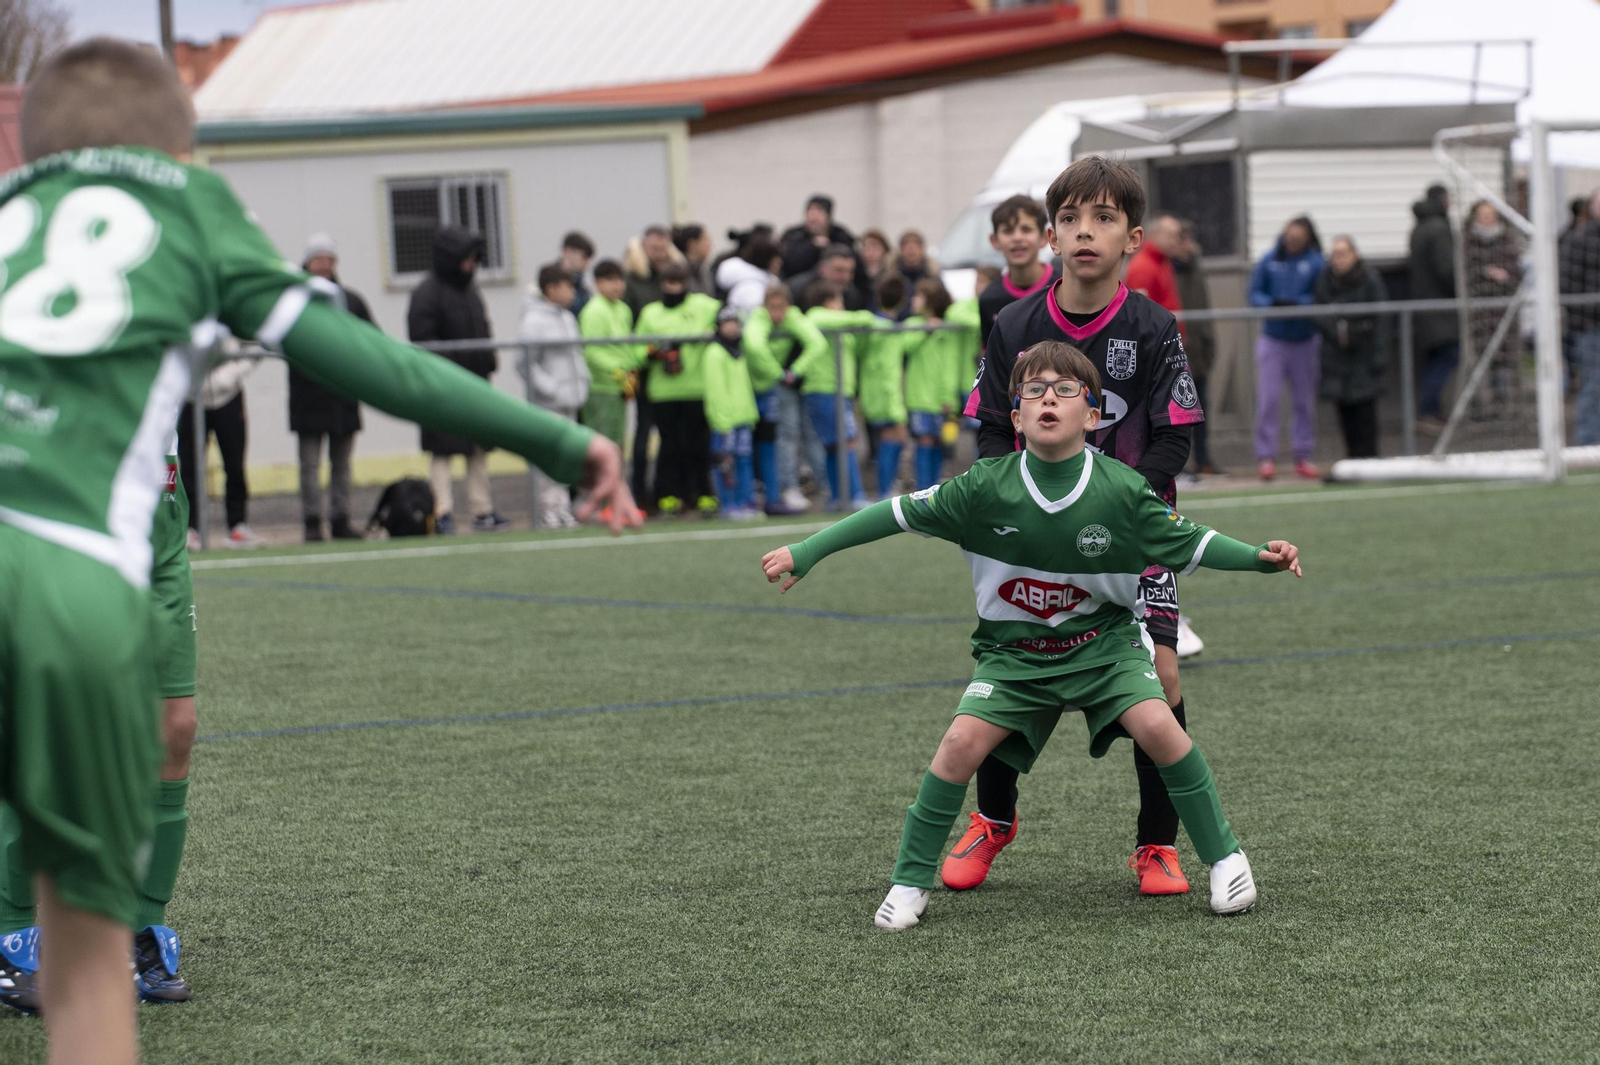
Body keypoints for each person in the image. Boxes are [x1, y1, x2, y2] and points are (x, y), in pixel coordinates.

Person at [0, 38, 634, 1065]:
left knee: (145, 753)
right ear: (181, 145)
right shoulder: (190, 211)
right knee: (84, 957)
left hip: (106, 536)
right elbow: (371, 360)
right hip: (76, 562)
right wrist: (563, 442)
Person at [762, 341, 1301, 930]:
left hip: (1105, 649)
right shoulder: (981, 488)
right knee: (957, 747)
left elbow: (1194, 541)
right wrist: (809, 550)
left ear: (1093, 416)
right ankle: (910, 881)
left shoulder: (1121, 489)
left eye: (1066, 390)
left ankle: (1225, 858)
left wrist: (1258, 557)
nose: (1049, 398)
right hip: (1012, 657)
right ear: (1015, 416)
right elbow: (893, 513)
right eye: (1034, 390)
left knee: (1159, 728)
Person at [961, 156, 1206, 899]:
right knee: (1012, 674)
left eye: (1102, 219)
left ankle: (1157, 846)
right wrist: (1024, 507)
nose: (1083, 232)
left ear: (1132, 237)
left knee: (1161, 680)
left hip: (1131, 538)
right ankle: (992, 820)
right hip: (1031, 539)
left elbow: (1175, 436)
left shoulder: (1154, 325)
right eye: (1069, 218)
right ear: (1050, 235)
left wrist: (1120, 502)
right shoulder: (1013, 323)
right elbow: (991, 431)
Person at [408, 224, 509, 533]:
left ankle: (482, 510)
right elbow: (422, 338)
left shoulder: (470, 291)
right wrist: (450, 370)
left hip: (476, 385)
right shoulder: (427, 293)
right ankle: (442, 513)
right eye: (466, 259)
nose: (471, 265)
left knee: (478, 448)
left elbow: (483, 328)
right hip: (442, 387)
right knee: (443, 451)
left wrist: (487, 361)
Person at [292, 232, 368, 542]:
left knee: (342, 465)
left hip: (343, 397)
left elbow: (370, 342)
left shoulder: (351, 301)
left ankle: (341, 519)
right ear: (308, 263)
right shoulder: (294, 300)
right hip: (308, 396)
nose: (324, 265)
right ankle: (312, 522)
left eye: (329, 260)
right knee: (310, 466)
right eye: (318, 259)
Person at [634, 261, 721, 514]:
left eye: (679, 283)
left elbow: (731, 316)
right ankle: (667, 495)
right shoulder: (651, 313)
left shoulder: (703, 306)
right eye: (669, 283)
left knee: (699, 444)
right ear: (662, 285)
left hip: (697, 389)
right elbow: (636, 348)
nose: (674, 288)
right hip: (663, 392)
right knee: (669, 445)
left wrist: (713, 331)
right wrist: (655, 352)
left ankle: (703, 494)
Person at [1249, 215, 1325, 480]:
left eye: (1298, 238)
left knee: (1303, 401)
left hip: (1304, 339)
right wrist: (1271, 305)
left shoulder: (1316, 262)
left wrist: (1297, 304)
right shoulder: (1270, 259)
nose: (1293, 241)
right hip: (1274, 339)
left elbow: (1320, 295)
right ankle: (1266, 456)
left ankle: (1302, 454)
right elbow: (1255, 292)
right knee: (1268, 400)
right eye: (1290, 236)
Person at [518, 265, 592, 528]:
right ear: (551, 289)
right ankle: (547, 509)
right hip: (548, 402)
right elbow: (525, 363)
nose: (572, 292)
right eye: (567, 286)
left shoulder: (567, 317)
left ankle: (562, 507)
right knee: (549, 457)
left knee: (567, 457)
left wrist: (582, 383)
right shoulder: (533, 320)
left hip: (571, 399)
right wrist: (550, 388)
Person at [745, 282, 828, 514]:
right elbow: (754, 346)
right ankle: (785, 488)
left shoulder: (792, 317)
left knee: (797, 433)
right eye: (772, 307)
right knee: (780, 436)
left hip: (781, 385)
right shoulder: (758, 319)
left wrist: (795, 371)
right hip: (757, 386)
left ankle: (816, 485)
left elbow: (816, 342)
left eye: (781, 307)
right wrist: (779, 374)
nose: (777, 313)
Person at [799, 281, 874, 510]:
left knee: (834, 445)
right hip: (826, 390)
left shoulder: (840, 326)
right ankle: (854, 495)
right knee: (846, 441)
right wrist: (866, 317)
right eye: (838, 300)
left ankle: (837, 497)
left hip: (837, 392)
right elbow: (862, 319)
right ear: (826, 302)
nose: (842, 305)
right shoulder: (817, 316)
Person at [176, 346, 260, 546]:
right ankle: (191, 527)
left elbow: (256, 345)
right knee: (189, 466)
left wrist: (230, 375)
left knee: (235, 464)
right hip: (190, 398)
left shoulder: (232, 316)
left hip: (229, 397)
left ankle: (237, 525)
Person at [1314, 236, 1388, 459]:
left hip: (1363, 356)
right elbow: (1318, 313)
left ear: (1354, 254)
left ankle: (1370, 459)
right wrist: (1336, 330)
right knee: (1344, 413)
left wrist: (1378, 354)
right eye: (1335, 254)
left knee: (1365, 412)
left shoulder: (1369, 279)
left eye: (1344, 253)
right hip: (1337, 357)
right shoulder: (1325, 281)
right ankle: (1353, 459)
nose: (1340, 259)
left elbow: (1381, 318)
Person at [1462, 200, 1524, 419]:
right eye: (1483, 215)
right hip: (1479, 311)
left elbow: (1515, 272)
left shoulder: (1507, 241)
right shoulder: (1468, 242)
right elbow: (1467, 271)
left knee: (1504, 360)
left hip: (1503, 310)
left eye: (1491, 215)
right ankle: (1480, 407)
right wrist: (1486, 273)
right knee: (1480, 359)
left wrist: (1503, 275)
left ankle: (1503, 405)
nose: (1487, 219)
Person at [1171, 220, 1220, 475]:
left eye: (1188, 240)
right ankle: (1179, 465)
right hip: (1175, 352)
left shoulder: (1195, 269)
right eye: (1181, 240)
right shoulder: (1165, 269)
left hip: (1197, 350)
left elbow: (1204, 307)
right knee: (1177, 413)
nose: (1186, 246)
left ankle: (1203, 460)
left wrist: (1208, 343)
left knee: (1201, 409)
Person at [1409, 183, 1459, 434]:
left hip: (1427, 306)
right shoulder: (1438, 229)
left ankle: (1431, 410)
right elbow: (1447, 270)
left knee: (1437, 357)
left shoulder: (1420, 227)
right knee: (1449, 355)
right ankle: (1429, 411)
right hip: (1440, 309)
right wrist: (1461, 289)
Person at [703, 308, 761, 519]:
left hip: (743, 418)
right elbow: (716, 390)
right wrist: (722, 421)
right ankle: (729, 504)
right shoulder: (715, 352)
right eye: (727, 323)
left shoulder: (739, 351)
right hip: (726, 421)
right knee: (726, 464)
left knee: (744, 461)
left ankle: (746, 502)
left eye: (735, 322)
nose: (733, 327)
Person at [902, 278, 961, 489]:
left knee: (940, 442)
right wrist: (926, 330)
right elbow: (906, 346)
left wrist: (948, 397)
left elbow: (950, 365)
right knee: (924, 440)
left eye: (918, 296)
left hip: (942, 399)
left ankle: (934, 489)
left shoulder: (948, 328)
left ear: (931, 301)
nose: (913, 299)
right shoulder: (912, 324)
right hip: (919, 398)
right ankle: (923, 489)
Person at [978, 195, 1055, 350]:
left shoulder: (1065, 286)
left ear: (1044, 237)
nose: (1017, 237)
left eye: (1026, 229)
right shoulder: (989, 299)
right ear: (995, 241)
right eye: (1008, 231)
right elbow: (989, 357)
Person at [857, 274, 910, 497]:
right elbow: (889, 374)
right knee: (894, 438)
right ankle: (885, 490)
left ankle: (887, 488)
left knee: (888, 440)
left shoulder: (872, 325)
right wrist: (896, 410)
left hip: (871, 394)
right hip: (886, 397)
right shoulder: (887, 330)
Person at [1559, 188, 1600, 446]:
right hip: (1591, 327)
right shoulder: (1579, 239)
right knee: (1593, 386)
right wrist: (1583, 319)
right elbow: (1568, 284)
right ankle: (1588, 443)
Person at [779, 193, 858, 285]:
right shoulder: (794, 235)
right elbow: (789, 262)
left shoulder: (841, 235)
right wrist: (811, 246)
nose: (813, 216)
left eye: (819, 211)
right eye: (810, 211)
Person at [714, 235, 782, 313]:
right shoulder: (751, 288)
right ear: (766, 260)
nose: (780, 263)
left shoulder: (763, 281)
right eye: (776, 259)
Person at [789, 243, 865, 311]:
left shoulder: (853, 296)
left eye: (850, 271)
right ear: (822, 268)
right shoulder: (796, 291)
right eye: (839, 270)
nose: (846, 277)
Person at [558, 230, 595, 315]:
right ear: (567, 252)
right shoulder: (548, 280)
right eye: (584, 257)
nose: (587, 265)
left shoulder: (583, 286)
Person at [673, 223, 714, 294]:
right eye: (705, 239)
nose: (710, 244)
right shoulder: (679, 272)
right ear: (692, 244)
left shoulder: (705, 269)